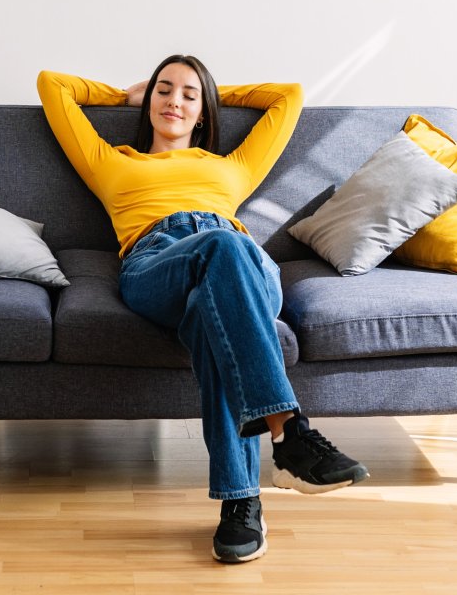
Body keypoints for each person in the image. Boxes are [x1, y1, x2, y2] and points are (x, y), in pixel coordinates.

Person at [37, 55, 369, 564]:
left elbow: (288, 96)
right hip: (157, 262)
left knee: (215, 295)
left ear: (204, 112)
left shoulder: (233, 165)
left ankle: (242, 500)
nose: (174, 101)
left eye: (189, 95)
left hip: (244, 269)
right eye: (164, 90)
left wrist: (212, 91)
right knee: (220, 249)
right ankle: (289, 433)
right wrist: (128, 93)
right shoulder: (112, 161)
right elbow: (52, 85)